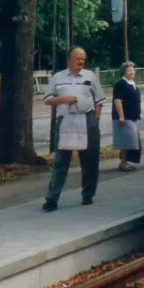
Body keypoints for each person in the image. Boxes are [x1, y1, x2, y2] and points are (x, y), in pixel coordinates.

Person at [42, 46, 105, 212]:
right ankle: (51, 198)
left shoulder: (90, 76)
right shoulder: (58, 77)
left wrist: (95, 121)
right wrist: (63, 99)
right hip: (66, 121)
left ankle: (88, 194)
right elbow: (47, 99)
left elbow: (99, 101)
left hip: (87, 119)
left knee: (90, 160)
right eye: (77, 59)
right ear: (68, 60)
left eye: (83, 59)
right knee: (61, 160)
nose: (80, 62)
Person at [112, 61, 142, 171]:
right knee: (127, 141)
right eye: (129, 70)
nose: (132, 72)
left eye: (133, 70)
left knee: (131, 140)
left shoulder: (132, 83)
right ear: (123, 72)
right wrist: (121, 116)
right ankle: (123, 163)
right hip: (125, 117)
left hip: (133, 117)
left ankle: (124, 161)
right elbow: (117, 101)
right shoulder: (121, 84)